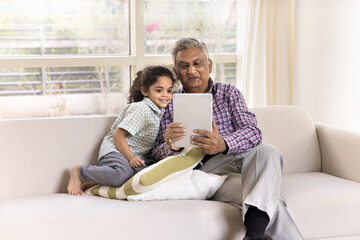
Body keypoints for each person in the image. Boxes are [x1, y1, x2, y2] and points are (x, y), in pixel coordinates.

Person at [149, 38, 303, 240]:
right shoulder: (168, 103)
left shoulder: (228, 93)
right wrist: (172, 146)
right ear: (176, 71)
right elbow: (155, 154)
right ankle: (255, 234)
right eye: (184, 66)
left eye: (198, 63)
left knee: (268, 151)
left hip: (239, 160)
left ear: (209, 65)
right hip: (206, 173)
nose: (191, 70)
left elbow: (253, 132)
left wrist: (223, 144)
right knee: (271, 200)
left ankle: (253, 235)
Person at [67, 66, 176, 196]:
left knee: (143, 179)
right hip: (116, 150)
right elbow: (118, 135)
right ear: (145, 91)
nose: (165, 95)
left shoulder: (159, 112)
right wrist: (130, 158)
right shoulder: (141, 109)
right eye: (159, 90)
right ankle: (80, 172)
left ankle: (93, 182)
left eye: (169, 91)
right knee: (123, 174)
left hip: (134, 157)